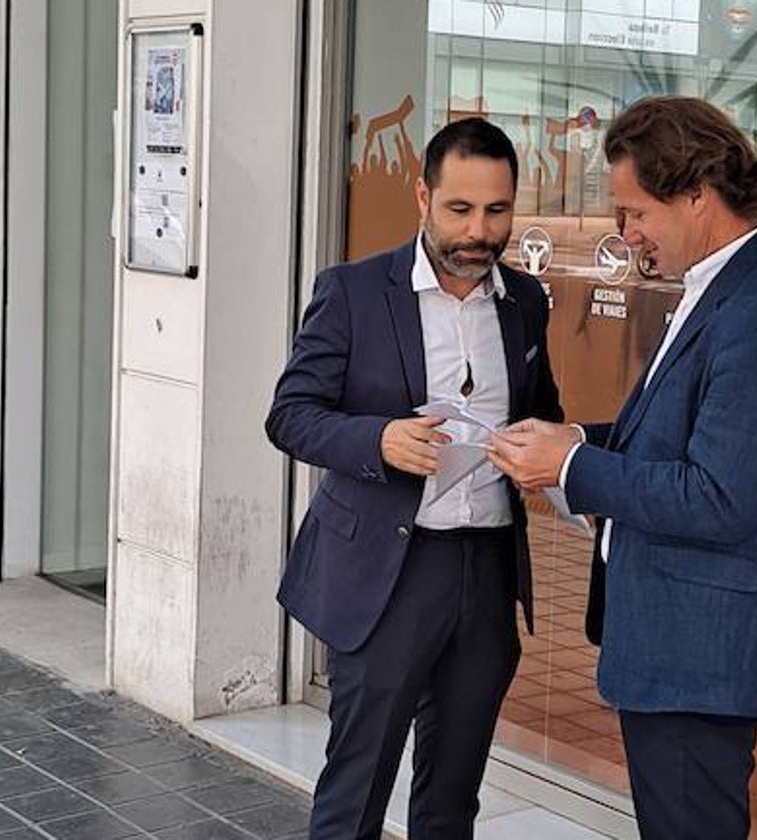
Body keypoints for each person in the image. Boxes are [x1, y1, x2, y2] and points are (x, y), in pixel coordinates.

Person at [488, 96, 757, 840]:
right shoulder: (729, 286)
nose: (628, 235)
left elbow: (717, 496)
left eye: (636, 211)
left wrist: (572, 466)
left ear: (697, 196)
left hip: (702, 654)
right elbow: (676, 440)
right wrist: (576, 436)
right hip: (682, 643)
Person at [266, 118, 563, 839]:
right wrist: (379, 439)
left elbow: (544, 411)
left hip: (486, 572)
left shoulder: (525, 302)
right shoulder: (354, 292)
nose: (478, 231)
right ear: (422, 196)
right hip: (387, 573)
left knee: (453, 795)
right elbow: (289, 415)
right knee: (356, 789)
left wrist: (542, 452)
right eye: (460, 209)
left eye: (497, 210)